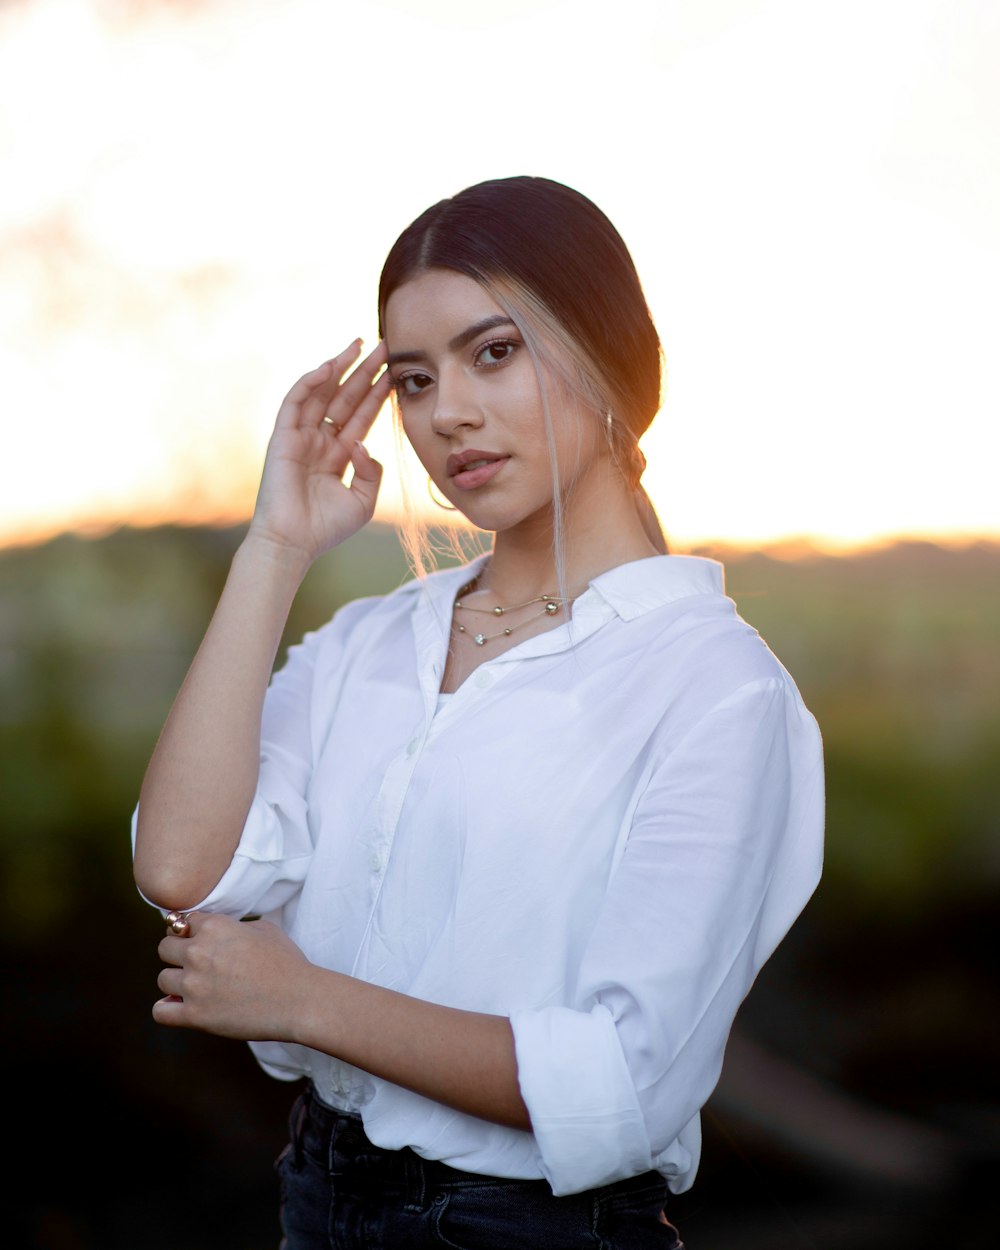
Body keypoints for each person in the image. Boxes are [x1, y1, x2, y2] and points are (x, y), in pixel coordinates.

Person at [132, 175, 824, 1249]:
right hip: (316, 1196)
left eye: (491, 351)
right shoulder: (370, 642)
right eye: (412, 378)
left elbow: (621, 1081)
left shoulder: (714, 687)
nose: (445, 411)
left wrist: (305, 1000)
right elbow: (183, 869)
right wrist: (274, 547)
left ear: (609, 358)